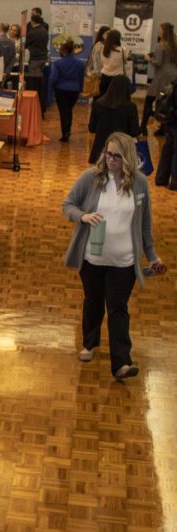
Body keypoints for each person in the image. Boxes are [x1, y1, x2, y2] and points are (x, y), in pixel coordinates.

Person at [63, 132, 165, 379]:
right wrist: (83, 216)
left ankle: (121, 363)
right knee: (93, 301)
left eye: (117, 156)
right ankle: (90, 343)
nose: (110, 160)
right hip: (92, 258)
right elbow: (68, 205)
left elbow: (145, 224)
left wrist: (152, 256)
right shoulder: (91, 178)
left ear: (128, 158)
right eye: (108, 154)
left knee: (118, 308)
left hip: (125, 261)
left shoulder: (139, 184)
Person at [88, 75, 139, 164]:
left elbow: (91, 128)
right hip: (121, 150)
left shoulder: (98, 104)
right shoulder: (130, 107)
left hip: (100, 151)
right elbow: (134, 131)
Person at [142, 22, 177, 135]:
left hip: (161, 77)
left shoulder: (160, 45)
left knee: (149, 100)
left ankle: (142, 127)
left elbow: (158, 63)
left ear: (164, 31)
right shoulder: (175, 44)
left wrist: (148, 59)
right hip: (173, 76)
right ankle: (163, 129)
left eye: (160, 29)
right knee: (166, 103)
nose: (158, 31)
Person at [49, 39, 85, 142]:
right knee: (69, 110)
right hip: (74, 90)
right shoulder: (80, 64)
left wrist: (51, 88)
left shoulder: (58, 63)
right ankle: (68, 130)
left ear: (64, 51)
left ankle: (65, 133)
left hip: (61, 90)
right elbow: (81, 77)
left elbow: (53, 78)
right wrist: (80, 88)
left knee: (63, 112)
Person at [25, 14, 49, 110]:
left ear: (33, 21)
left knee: (33, 84)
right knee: (40, 83)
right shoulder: (44, 31)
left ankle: (35, 106)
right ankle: (41, 105)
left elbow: (26, 44)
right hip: (43, 58)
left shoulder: (32, 32)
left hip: (35, 59)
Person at [99, 29, 129, 97]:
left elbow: (102, 62)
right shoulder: (123, 50)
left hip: (104, 77)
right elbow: (125, 61)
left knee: (103, 98)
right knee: (116, 98)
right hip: (117, 79)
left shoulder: (103, 49)